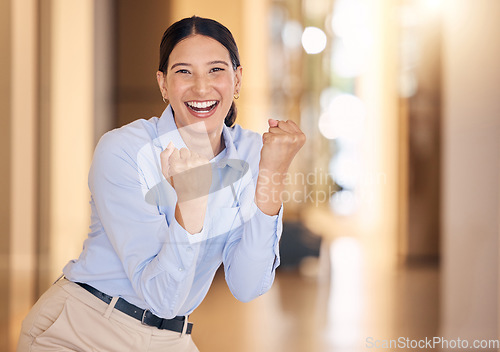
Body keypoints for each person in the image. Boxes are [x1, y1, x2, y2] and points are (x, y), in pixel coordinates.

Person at [17, 15, 305, 351]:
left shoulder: (252, 152)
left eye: (216, 70)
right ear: (163, 84)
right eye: (184, 71)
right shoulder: (124, 150)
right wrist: (191, 202)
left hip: (170, 338)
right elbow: (161, 297)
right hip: (82, 329)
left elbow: (247, 284)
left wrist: (272, 173)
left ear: (237, 80)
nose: (201, 87)